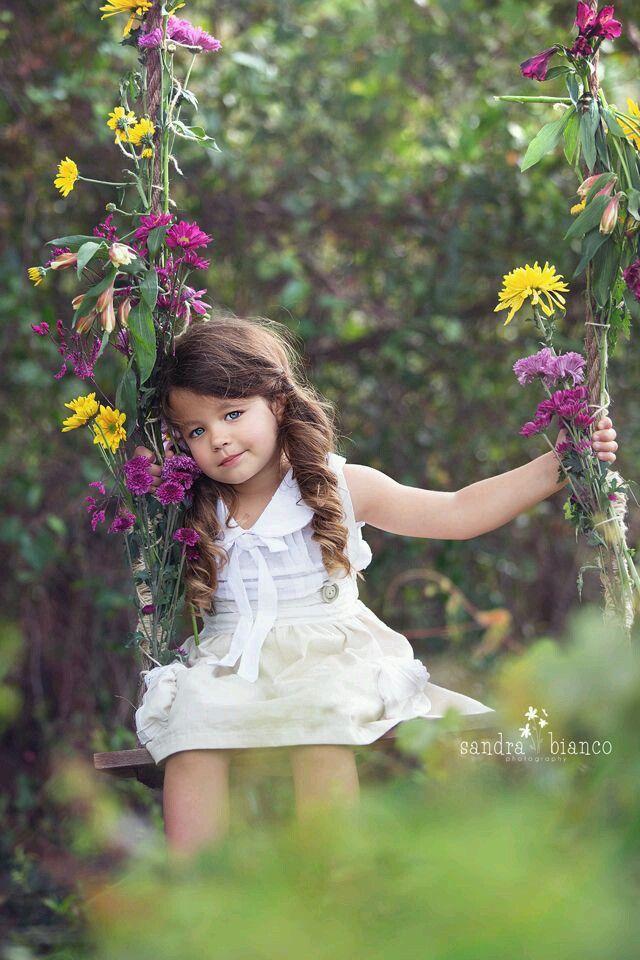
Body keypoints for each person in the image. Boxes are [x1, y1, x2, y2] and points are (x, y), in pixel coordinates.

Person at [132, 315, 618, 857]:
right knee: (190, 731)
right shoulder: (188, 506)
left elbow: (457, 512)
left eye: (232, 414)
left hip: (328, 658)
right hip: (231, 663)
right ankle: (195, 892)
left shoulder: (337, 485)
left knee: (320, 722)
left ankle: (336, 880)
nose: (218, 438)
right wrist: (144, 475)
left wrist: (558, 464)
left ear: (278, 402)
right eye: (196, 431)